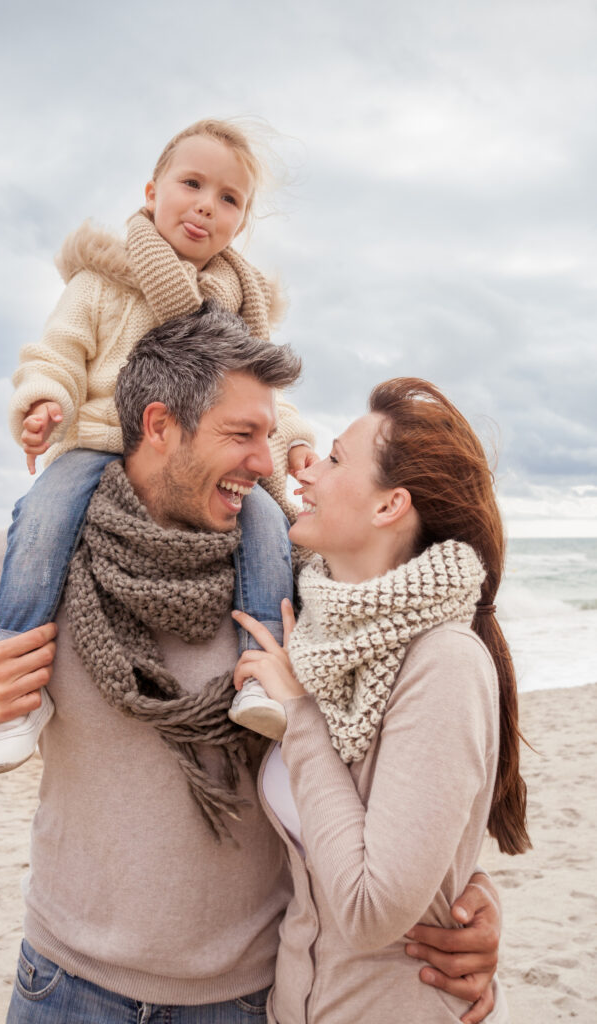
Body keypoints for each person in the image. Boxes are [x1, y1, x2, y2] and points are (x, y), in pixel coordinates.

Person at [0, 315, 502, 1024]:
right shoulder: (26, 569)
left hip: (243, 999)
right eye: (242, 435)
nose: (269, 464)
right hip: (64, 983)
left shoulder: (295, 583)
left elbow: (393, 768)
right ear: (161, 426)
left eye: (269, 435)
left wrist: (469, 896)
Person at [0, 118, 316, 774]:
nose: (205, 206)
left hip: (198, 465)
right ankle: (19, 692)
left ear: (239, 223)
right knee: (42, 516)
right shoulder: (103, 281)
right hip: (101, 438)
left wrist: (293, 442)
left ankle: (259, 673)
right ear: (152, 189)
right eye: (191, 184)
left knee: (269, 523)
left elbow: (263, 393)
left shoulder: (239, 307)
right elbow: (60, 351)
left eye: (228, 199)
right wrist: (47, 397)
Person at [233, 377, 530, 1023]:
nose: (308, 470)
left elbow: (370, 912)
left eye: (336, 457)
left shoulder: (443, 662)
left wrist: (299, 719)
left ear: (389, 505)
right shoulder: (319, 639)